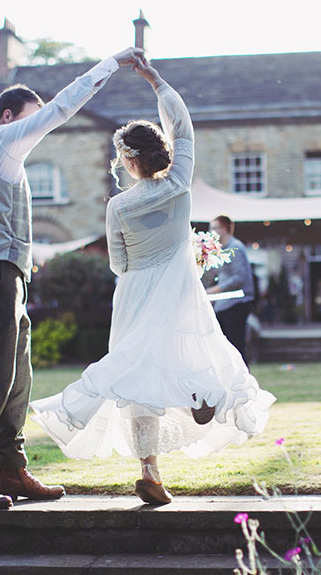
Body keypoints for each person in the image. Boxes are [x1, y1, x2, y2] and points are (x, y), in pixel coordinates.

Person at [30, 57, 275, 505]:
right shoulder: (180, 184)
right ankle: (201, 399)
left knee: (138, 375)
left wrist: (152, 258)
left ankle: (150, 470)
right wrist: (156, 81)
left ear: (128, 159)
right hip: (178, 290)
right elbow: (184, 130)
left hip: (136, 293)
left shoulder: (118, 207)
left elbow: (119, 265)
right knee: (195, 352)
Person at [0, 46, 145, 510]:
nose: (35, 131)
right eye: (28, 120)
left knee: (17, 372)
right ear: (9, 115)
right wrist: (113, 63)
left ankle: (12, 470)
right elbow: (61, 108)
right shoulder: (3, 139)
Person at [204, 216, 255, 361]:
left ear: (224, 229)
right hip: (225, 304)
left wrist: (214, 291)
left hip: (236, 303)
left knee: (235, 346)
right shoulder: (221, 250)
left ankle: (242, 380)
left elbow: (239, 278)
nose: (211, 232)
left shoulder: (235, 248)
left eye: (214, 228)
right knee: (223, 347)